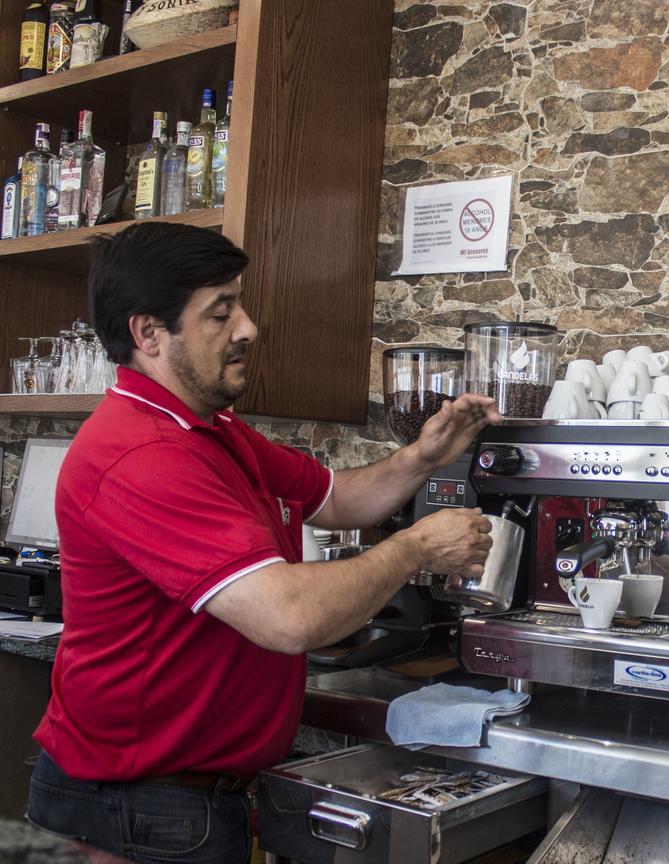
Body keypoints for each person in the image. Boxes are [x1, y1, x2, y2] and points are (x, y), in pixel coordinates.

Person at [26, 222, 500, 863]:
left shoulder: (209, 429)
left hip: (184, 799)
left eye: (240, 306)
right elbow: (289, 616)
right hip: (134, 807)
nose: (248, 328)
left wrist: (421, 457)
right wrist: (415, 548)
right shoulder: (140, 453)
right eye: (221, 313)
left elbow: (334, 499)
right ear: (148, 334)